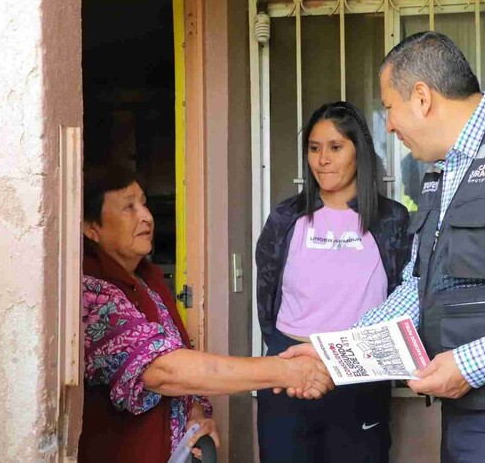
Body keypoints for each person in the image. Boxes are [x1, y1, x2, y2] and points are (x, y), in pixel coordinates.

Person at [282, 32, 485, 462]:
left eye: (389, 107)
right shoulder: (443, 174)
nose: (387, 124)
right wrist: (339, 350)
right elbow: (420, 287)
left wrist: (471, 365)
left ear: (422, 98)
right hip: (466, 415)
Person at [79, 165, 334, 463]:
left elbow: (179, 357)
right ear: (91, 228)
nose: (146, 217)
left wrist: (197, 415)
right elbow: (163, 370)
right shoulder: (90, 293)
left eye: (144, 203)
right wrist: (288, 370)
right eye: (128, 207)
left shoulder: (148, 281)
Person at [255, 101, 411, 463]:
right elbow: (267, 297)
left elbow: (405, 295)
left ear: (360, 153)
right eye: (314, 148)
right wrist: (284, 348)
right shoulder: (286, 217)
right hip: (289, 369)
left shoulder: (391, 221)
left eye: (336, 147)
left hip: (359, 373)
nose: (322, 159)